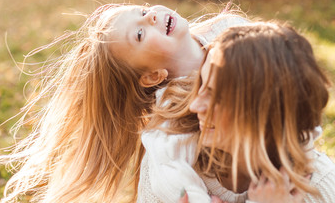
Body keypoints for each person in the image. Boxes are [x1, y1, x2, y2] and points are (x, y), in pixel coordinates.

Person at [0, 3, 249, 202]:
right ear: (152, 76)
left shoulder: (231, 28)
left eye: (143, 10)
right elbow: (165, 183)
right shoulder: (169, 127)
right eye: (139, 34)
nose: (151, 17)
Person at [138, 22, 335, 203]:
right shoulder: (170, 160)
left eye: (215, 98)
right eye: (201, 87)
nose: (195, 106)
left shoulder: (319, 189)